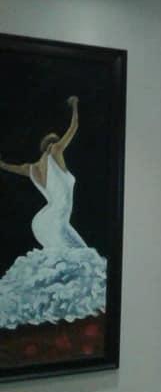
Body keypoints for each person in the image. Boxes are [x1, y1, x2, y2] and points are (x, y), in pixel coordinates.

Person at [0, 97, 107, 330]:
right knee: (83, 261)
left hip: (44, 221)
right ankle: (64, 314)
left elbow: (9, 167)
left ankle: (48, 310)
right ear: (52, 145)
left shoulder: (32, 168)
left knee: (77, 258)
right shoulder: (56, 152)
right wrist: (75, 105)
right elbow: (74, 127)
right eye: (57, 142)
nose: (60, 146)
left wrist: (2, 164)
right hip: (56, 219)